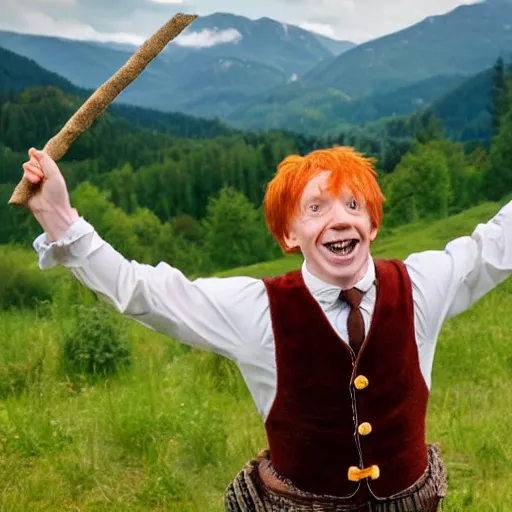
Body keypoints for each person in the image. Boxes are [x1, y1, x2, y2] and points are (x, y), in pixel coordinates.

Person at [22, 145, 512, 511]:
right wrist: (60, 218)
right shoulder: (255, 309)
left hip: (410, 502)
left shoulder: (423, 285)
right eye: (316, 209)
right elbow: (141, 291)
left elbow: (495, 245)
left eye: (353, 206)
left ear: (374, 224)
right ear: (287, 234)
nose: (339, 221)